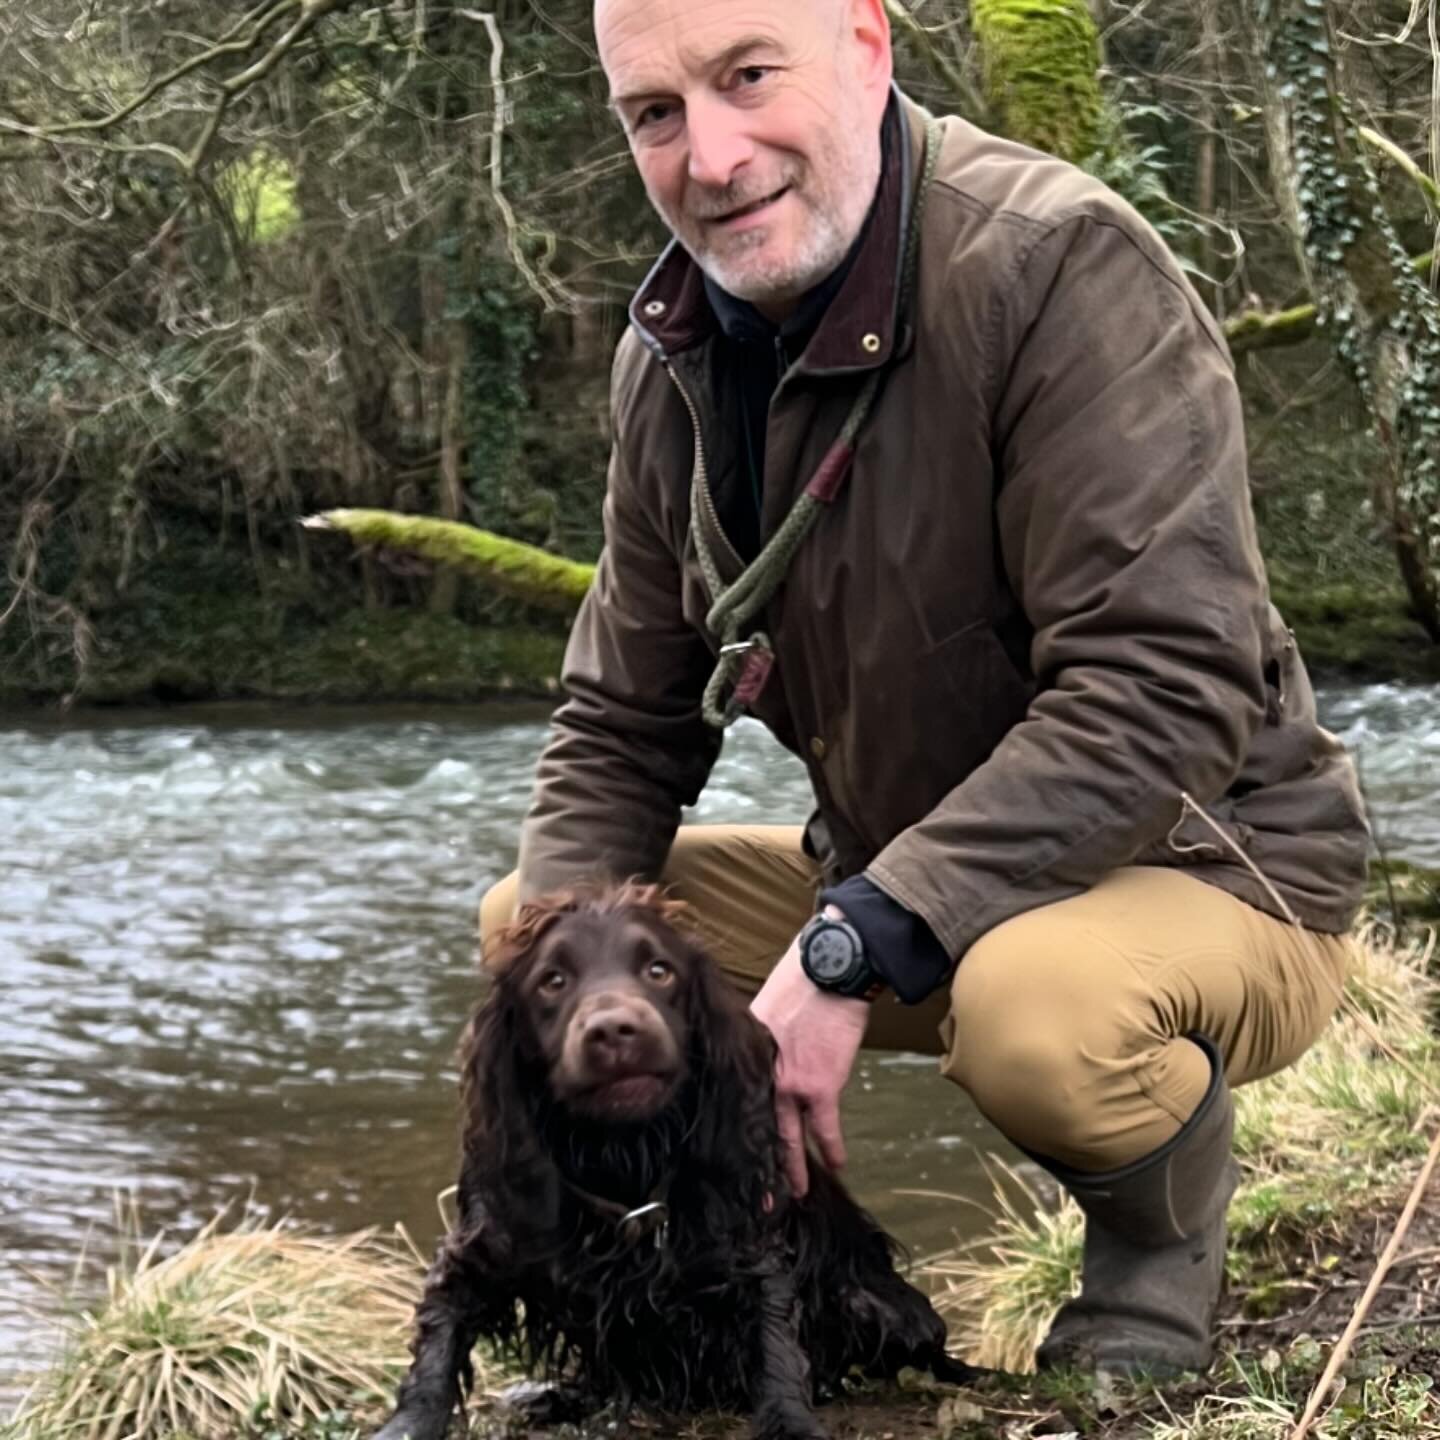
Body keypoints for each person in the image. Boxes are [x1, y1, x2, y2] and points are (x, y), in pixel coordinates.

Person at [480, 0, 1370, 1378]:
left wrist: (851, 948)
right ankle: (669, 1283)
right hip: (904, 879)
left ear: (867, 44)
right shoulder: (669, 357)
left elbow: (1165, 685)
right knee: (537, 935)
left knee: (1034, 1014)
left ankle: (1152, 1267)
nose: (711, 157)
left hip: (1217, 871)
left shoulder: (1058, 268)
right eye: (657, 113)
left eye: (748, 77)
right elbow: (619, 725)